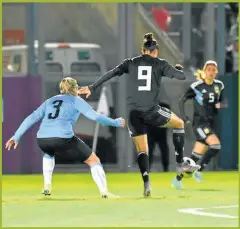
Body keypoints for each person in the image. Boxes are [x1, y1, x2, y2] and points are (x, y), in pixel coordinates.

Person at [79, 33, 187, 197]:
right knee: (179, 124)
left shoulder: (131, 62)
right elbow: (181, 76)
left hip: (134, 114)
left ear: (142, 50)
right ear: (155, 51)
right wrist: (178, 69)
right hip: (152, 110)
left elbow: (111, 73)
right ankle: (180, 165)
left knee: (143, 150)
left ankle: (146, 183)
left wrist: (92, 87)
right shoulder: (160, 64)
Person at [5, 77, 125, 198]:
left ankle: (47, 186)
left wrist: (16, 136)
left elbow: (31, 118)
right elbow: (95, 117)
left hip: (42, 140)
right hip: (62, 138)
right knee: (93, 160)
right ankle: (104, 191)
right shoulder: (76, 100)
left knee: (49, 153)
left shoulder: (50, 100)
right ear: (75, 88)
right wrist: (116, 122)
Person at [172, 60, 226, 189]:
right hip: (200, 124)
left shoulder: (219, 85)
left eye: (214, 69)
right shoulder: (197, 86)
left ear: (216, 72)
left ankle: (177, 180)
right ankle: (199, 170)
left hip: (210, 123)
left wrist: (220, 105)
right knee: (216, 145)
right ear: (204, 71)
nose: (211, 72)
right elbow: (182, 100)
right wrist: (184, 117)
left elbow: (223, 102)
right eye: (209, 69)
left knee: (194, 157)